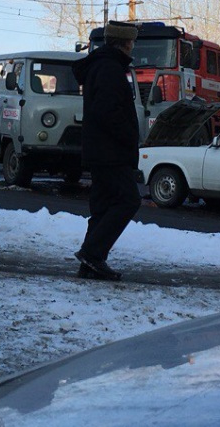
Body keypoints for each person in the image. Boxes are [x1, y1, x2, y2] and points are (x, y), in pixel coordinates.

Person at [71, 20, 141, 281]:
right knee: (128, 200)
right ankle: (92, 253)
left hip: (100, 149)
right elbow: (108, 112)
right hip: (111, 151)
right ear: (125, 43)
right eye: (132, 42)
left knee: (102, 207)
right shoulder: (110, 69)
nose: (133, 47)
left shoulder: (101, 66)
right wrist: (128, 137)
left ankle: (90, 263)